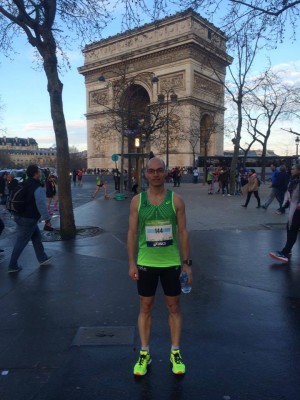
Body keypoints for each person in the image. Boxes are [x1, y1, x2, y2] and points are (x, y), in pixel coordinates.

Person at [127, 157, 192, 376]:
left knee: (173, 308)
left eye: (159, 171)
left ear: (166, 173)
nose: (155, 174)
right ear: (145, 174)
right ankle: (144, 352)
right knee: (145, 307)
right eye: (151, 171)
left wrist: (186, 264)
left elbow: (183, 232)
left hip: (171, 263)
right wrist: (131, 262)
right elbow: (132, 233)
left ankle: (175, 351)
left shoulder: (177, 200)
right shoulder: (138, 201)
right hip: (146, 263)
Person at [7, 164, 53, 274]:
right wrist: (47, 219)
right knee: (21, 241)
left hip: (20, 215)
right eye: (39, 171)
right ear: (36, 173)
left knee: (36, 236)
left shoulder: (23, 183)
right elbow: (41, 205)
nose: (40, 172)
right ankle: (12, 265)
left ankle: (42, 258)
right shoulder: (37, 187)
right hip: (28, 218)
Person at [269, 164, 300, 263]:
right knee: (290, 228)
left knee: (292, 229)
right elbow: (289, 193)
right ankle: (287, 249)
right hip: (294, 208)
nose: (291, 170)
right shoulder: (293, 180)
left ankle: (285, 252)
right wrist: (284, 206)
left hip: (297, 209)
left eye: (293, 168)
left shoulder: (296, 180)